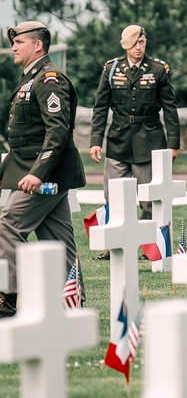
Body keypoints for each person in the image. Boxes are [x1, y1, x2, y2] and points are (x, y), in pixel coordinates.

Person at [0, 21, 87, 316]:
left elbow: (57, 131)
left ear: (37, 45)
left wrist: (38, 173)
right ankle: (73, 300)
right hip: (35, 170)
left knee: (8, 226)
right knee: (57, 236)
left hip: (44, 173)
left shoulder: (49, 78)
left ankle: (5, 297)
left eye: (19, 42)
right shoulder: (31, 77)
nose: (13, 46)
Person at [89, 25, 180, 260]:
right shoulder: (112, 69)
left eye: (142, 42)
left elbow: (170, 108)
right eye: (134, 43)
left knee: (148, 197)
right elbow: (100, 106)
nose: (139, 47)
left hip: (148, 139)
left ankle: (148, 245)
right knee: (113, 195)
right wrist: (95, 140)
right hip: (118, 139)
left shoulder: (159, 69)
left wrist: (173, 143)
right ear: (125, 45)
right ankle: (113, 243)